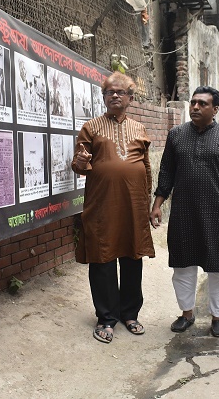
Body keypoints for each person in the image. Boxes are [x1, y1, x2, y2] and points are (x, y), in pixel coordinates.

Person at [150, 86, 219, 338]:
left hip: (218, 214)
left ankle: (218, 317)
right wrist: (157, 204)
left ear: (215, 109)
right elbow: (166, 173)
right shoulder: (176, 135)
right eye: (193, 102)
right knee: (182, 266)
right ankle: (186, 314)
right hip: (183, 213)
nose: (195, 107)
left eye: (202, 104)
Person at [71, 71, 155, 344]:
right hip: (102, 204)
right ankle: (106, 317)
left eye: (120, 92)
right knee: (103, 257)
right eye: (110, 92)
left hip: (133, 204)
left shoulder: (139, 128)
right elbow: (77, 165)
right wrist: (82, 162)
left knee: (132, 257)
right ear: (104, 97)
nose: (115, 96)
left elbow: (146, 166)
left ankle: (130, 313)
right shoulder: (91, 127)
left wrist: (150, 202)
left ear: (131, 98)